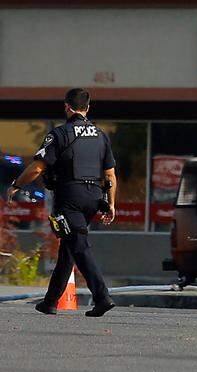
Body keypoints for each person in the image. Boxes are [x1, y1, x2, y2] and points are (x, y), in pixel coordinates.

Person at [7, 88, 116, 317]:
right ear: (88, 108)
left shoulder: (59, 134)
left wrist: (17, 184)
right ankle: (50, 302)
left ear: (67, 107)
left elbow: (37, 167)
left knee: (79, 246)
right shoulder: (101, 135)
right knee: (69, 248)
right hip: (94, 198)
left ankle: (102, 297)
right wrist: (111, 204)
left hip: (69, 199)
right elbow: (110, 176)